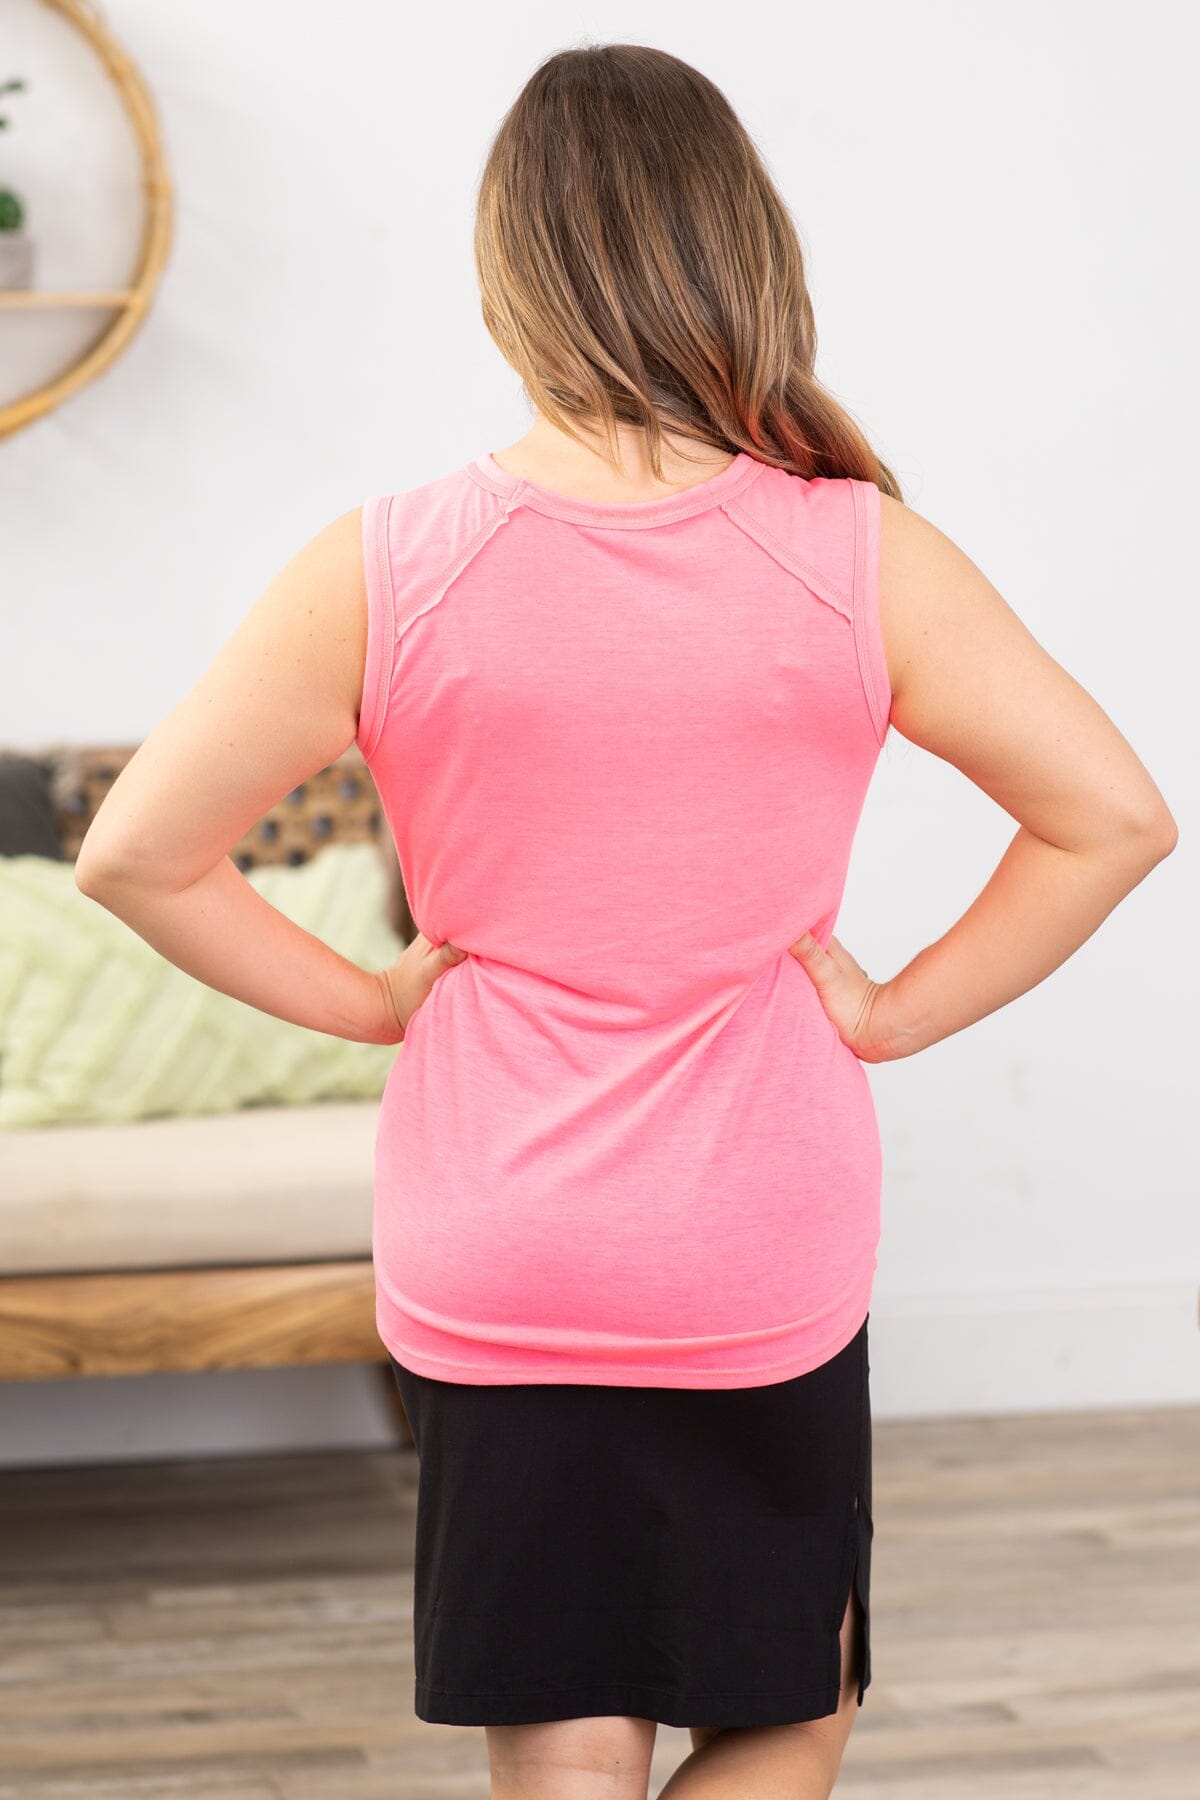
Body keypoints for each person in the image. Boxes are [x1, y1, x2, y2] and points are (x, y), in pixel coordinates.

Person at [75, 40, 1177, 1800]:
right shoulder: (858, 554)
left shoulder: (386, 563)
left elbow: (134, 853)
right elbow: (1114, 820)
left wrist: (374, 1006)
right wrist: (890, 1014)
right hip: (755, 1245)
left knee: (568, 1740)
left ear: (510, 278)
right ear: (744, 252)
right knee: (786, 1709)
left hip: (493, 1244)